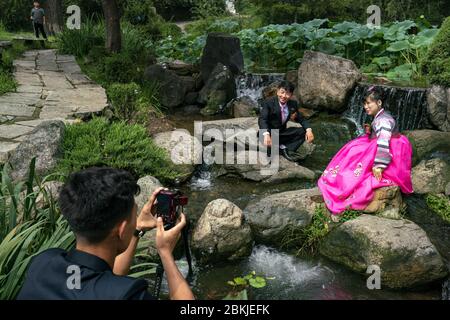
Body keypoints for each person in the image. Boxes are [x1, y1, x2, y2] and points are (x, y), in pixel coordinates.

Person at [17, 167, 195, 300]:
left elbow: (103, 281)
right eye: (135, 215)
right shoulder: (129, 295)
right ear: (122, 229)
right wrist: (165, 252)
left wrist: (137, 229)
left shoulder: (43, 263)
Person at [318, 86, 413, 218]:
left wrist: (379, 165)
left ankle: (343, 180)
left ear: (379, 103)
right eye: (364, 103)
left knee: (353, 153)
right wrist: (371, 131)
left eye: (369, 103)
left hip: (389, 151)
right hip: (387, 145)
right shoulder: (380, 117)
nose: (365, 107)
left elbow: (384, 142)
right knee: (353, 148)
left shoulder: (383, 120)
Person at [258, 80, 314, 162]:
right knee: (271, 158)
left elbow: (301, 119)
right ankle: (277, 148)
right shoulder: (268, 103)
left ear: (291, 95)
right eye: (282, 92)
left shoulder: (293, 104)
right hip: (270, 134)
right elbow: (262, 119)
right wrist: (266, 134)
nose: (284, 96)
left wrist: (309, 130)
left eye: (287, 93)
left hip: (282, 132)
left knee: (303, 131)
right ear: (277, 91)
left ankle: (284, 147)